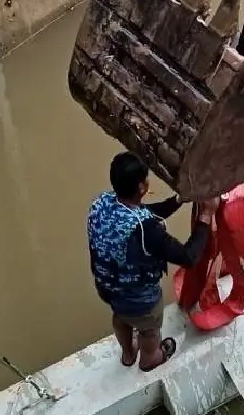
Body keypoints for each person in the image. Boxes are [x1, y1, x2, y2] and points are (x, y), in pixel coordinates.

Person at [87, 151, 216, 370]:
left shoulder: (101, 204)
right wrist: (206, 216)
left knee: (121, 318)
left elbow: (144, 212)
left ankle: (128, 354)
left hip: (108, 289)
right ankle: (150, 358)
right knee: (149, 329)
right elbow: (188, 257)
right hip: (140, 300)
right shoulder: (146, 231)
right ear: (141, 187)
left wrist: (178, 200)